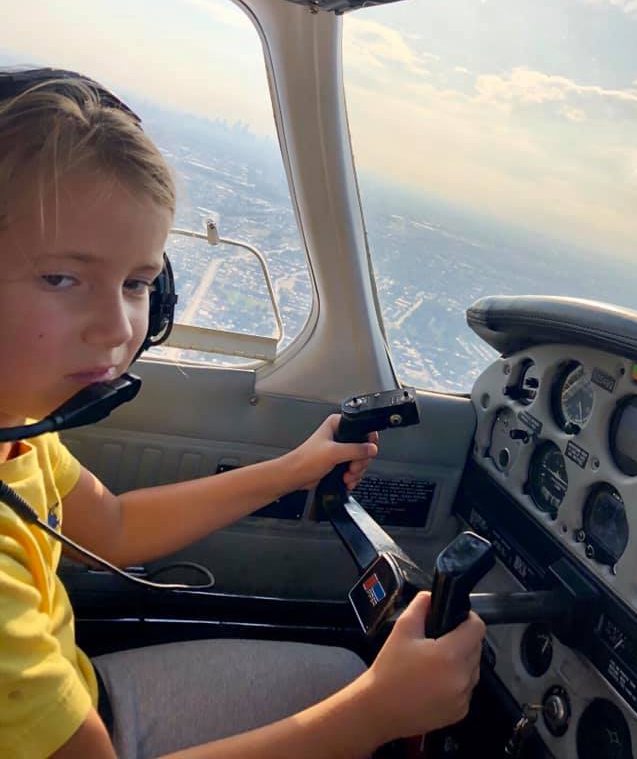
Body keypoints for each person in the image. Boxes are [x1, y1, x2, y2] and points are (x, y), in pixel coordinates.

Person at [0, 69, 487, 759]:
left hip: (77, 705)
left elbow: (113, 526)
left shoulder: (18, 429)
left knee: (344, 677)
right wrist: (376, 713)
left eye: (137, 283)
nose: (117, 328)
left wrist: (294, 469)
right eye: (61, 278)